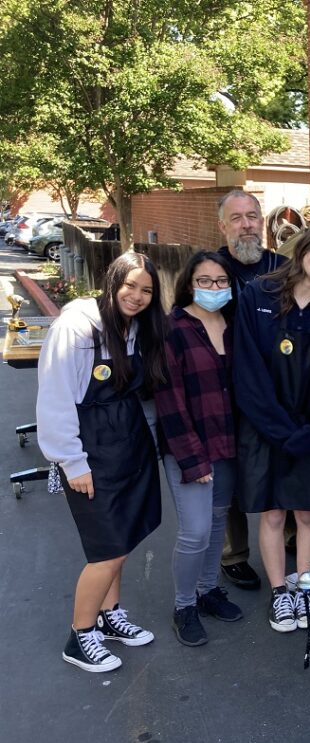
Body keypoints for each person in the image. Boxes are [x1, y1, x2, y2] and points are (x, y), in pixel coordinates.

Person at [37, 252, 168, 672]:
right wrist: (71, 462)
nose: (137, 296)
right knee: (105, 552)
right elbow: (55, 398)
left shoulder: (133, 327)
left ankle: (110, 618)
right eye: (130, 285)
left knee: (123, 542)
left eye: (147, 290)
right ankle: (80, 635)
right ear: (111, 281)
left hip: (127, 444)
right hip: (90, 451)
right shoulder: (76, 327)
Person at [232, 225, 310, 632]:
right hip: (265, 428)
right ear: (302, 249)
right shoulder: (259, 294)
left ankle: (303, 588)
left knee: (305, 512)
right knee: (271, 514)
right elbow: (247, 369)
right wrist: (278, 429)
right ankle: (280, 593)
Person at [155, 250, 243, 647]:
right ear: (189, 284)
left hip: (229, 442)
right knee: (195, 531)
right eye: (205, 281)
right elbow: (168, 399)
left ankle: (209, 591)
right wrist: (192, 458)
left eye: (221, 281)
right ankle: (184, 605)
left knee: (218, 521)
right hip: (190, 446)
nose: (214, 288)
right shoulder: (172, 329)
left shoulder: (234, 323)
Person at [216, 189, 286, 591]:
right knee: (234, 472)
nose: (247, 225)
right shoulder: (211, 269)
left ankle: (290, 537)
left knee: (285, 462)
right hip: (227, 389)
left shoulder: (284, 267)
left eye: (253, 216)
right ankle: (234, 554)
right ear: (222, 225)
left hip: (280, 388)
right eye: (237, 218)